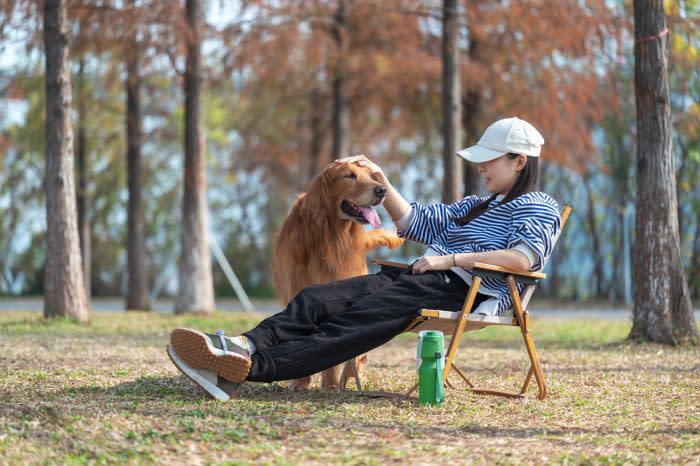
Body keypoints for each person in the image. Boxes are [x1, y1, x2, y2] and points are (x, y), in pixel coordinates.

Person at [166, 116, 562, 401]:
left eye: (490, 160)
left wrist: (451, 259)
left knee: (347, 325)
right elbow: (414, 221)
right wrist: (381, 179)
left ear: (519, 161)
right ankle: (241, 345)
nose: (481, 167)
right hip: (418, 277)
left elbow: (522, 259)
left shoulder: (537, 206)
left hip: (461, 290)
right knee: (315, 299)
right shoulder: (477, 205)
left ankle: (245, 372)